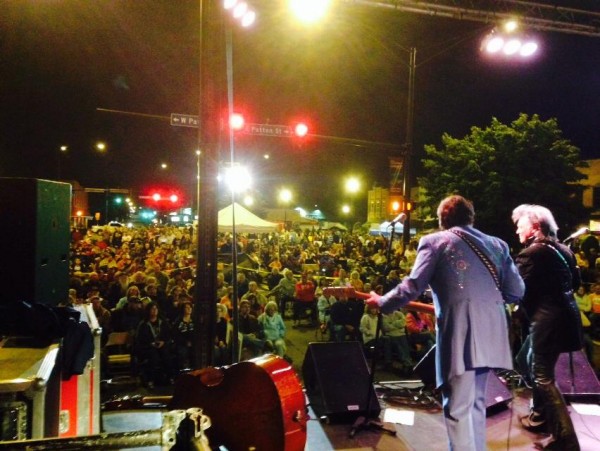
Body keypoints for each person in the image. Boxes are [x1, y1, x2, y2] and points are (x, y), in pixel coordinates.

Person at [367, 195, 524, 451]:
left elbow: (413, 285)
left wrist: (383, 302)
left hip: (462, 330)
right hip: (494, 329)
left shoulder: (435, 241)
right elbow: (516, 291)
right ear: (471, 218)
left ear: (442, 220)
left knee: (458, 405)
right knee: (476, 402)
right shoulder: (498, 245)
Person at [512, 204, 583, 451]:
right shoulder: (564, 251)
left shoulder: (531, 254)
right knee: (525, 360)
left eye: (520, 226)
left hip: (546, 323)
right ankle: (541, 416)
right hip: (565, 318)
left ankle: (566, 440)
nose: (517, 231)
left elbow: (515, 290)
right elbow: (575, 284)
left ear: (533, 227)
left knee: (543, 378)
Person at [134, 302, 175, 388]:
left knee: (166, 356)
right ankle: (150, 380)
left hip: (162, 345)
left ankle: (170, 377)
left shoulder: (162, 322)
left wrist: (163, 342)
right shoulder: (144, 324)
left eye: (156, 309)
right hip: (148, 347)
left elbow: (168, 334)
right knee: (153, 357)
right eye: (152, 309)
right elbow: (140, 339)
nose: (154, 311)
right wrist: (150, 343)